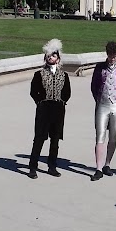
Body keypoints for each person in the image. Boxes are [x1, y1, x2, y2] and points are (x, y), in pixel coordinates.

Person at [27, 39, 71, 179]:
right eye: (49, 55)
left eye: (53, 55)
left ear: (58, 58)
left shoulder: (64, 75)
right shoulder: (39, 74)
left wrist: (62, 101)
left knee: (55, 139)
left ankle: (52, 166)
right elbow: (33, 91)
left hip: (58, 109)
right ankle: (33, 167)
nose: (51, 57)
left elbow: (67, 92)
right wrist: (40, 102)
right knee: (39, 138)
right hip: (44, 109)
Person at [90, 41, 116, 181]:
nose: (112, 58)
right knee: (100, 136)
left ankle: (107, 164)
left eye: (114, 55)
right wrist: (99, 99)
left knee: (113, 136)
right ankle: (98, 168)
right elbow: (94, 85)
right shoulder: (100, 68)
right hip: (103, 104)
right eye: (110, 55)